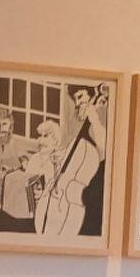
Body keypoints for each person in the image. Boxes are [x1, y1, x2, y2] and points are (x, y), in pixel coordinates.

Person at [40, 82, 107, 237]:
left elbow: (104, 147)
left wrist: (94, 118)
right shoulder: (76, 119)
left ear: (92, 96)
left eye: (80, 96)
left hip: (94, 183)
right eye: (75, 99)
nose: (77, 103)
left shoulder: (99, 116)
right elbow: (68, 148)